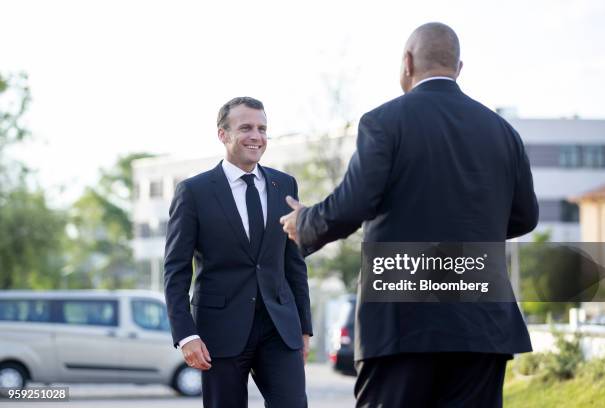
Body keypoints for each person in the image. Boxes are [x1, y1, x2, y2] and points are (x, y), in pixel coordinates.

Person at [280, 22, 538, 407]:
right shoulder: (502, 131)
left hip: (401, 323)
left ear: (407, 62)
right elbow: (525, 216)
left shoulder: (384, 122)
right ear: (459, 67)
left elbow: (353, 204)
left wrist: (306, 222)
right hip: (482, 324)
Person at [164, 97, 312, 408]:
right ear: (223, 134)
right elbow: (176, 270)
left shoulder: (283, 185)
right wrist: (186, 335)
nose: (256, 136)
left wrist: (305, 327)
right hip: (220, 330)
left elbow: (293, 261)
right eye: (245, 127)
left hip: (279, 326)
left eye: (262, 129)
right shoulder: (194, 192)